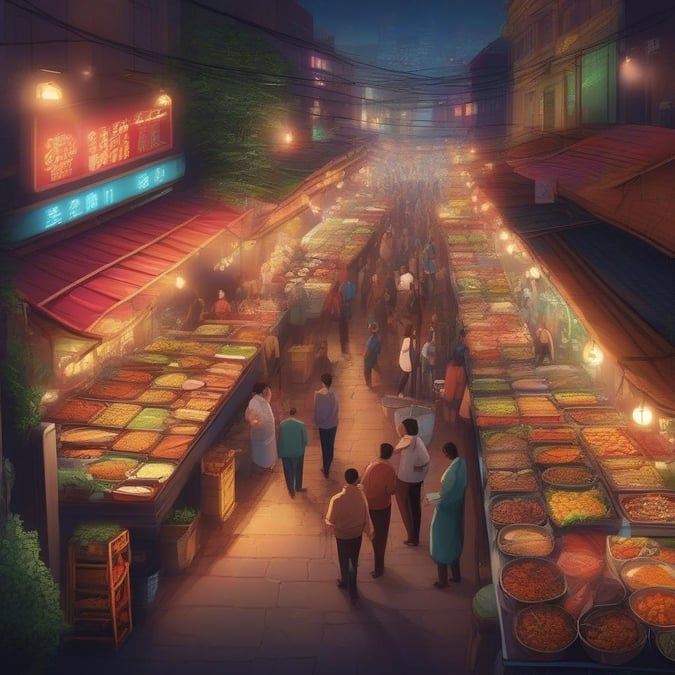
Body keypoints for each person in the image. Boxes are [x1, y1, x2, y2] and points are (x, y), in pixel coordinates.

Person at [325, 468, 373, 603]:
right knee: (354, 560)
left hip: (342, 535)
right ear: (356, 479)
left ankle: (345, 581)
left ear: (345, 479)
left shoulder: (337, 499)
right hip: (356, 534)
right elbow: (366, 514)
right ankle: (353, 587)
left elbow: (331, 520)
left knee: (343, 558)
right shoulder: (361, 496)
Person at [429, 442, 467, 587]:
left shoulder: (451, 474)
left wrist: (432, 498)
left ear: (446, 453)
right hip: (455, 510)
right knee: (454, 543)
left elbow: (444, 494)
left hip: (445, 512)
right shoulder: (462, 464)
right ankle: (456, 576)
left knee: (441, 546)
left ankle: (443, 581)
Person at [361, 443, 397, 578]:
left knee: (374, 534)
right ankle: (379, 568)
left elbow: (362, 482)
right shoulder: (389, 470)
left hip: (369, 505)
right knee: (381, 537)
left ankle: (378, 565)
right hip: (382, 506)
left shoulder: (370, 465)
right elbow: (391, 490)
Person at [393, 417, 430, 547]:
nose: (399, 428)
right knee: (414, 508)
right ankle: (414, 536)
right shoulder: (417, 440)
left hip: (406, 479)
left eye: (402, 427)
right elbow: (426, 461)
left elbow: (395, 450)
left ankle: (412, 537)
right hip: (415, 479)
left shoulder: (407, 441)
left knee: (406, 507)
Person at [245, 381, 277, 471]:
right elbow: (253, 419)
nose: (270, 394)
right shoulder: (255, 402)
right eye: (269, 392)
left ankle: (265, 466)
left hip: (265, 435)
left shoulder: (263, 402)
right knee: (261, 455)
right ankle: (260, 468)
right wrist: (259, 424)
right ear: (264, 392)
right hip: (261, 435)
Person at [278, 407, 308, 498]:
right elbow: (305, 440)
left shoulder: (282, 425)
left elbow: (279, 438)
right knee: (298, 470)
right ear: (297, 414)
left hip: (285, 452)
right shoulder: (301, 425)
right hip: (298, 452)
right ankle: (298, 487)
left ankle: (291, 490)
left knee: (288, 471)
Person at [314, 372, 339, 478]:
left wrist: (317, 422)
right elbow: (336, 408)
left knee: (324, 446)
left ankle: (326, 468)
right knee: (331, 443)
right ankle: (329, 460)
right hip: (333, 424)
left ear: (323, 383)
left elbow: (316, 410)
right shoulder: (334, 394)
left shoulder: (317, 395)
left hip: (323, 425)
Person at [397, 323, 414, 398]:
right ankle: (399, 391)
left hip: (408, 360)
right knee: (404, 376)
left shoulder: (411, 339)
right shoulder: (407, 340)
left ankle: (401, 391)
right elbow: (404, 349)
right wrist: (411, 344)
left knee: (405, 376)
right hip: (406, 360)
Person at [363, 322, 382, 387]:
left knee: (367, 370)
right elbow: (379, 350)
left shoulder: (372, 339)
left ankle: (369, 383)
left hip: (369, 356)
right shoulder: (377, 338)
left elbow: (369, 349)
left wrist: (365, 356)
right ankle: (383, 377)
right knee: (376, 367)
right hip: (374, 356)